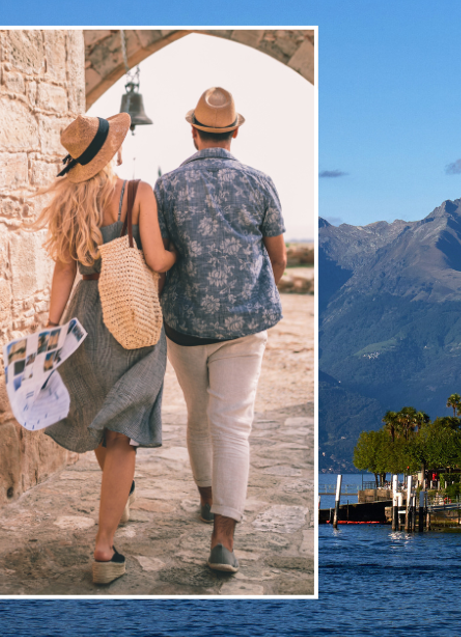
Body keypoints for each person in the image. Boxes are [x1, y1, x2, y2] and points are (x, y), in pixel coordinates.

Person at [37, 113, 176, 585]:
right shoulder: (138, 193)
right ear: (111, 153)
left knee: (101, 419)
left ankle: (118, 504)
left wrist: (52, 330)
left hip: (84, 322)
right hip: (133, 319)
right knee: (122, 434)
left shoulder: (68, 206)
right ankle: (103, 546)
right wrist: (176, 256)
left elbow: (63, 273)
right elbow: (156, 258)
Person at [155, 87, 287, 574]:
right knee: (233, 428)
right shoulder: (260, 182)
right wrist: (252, 293)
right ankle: (223, 540)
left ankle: (207, 498)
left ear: (193, 132)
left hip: (185, 325)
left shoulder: (166, 187)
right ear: (235, 130)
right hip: (245, 325)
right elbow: (278, 257)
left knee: (197, 414)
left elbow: (161, 259)